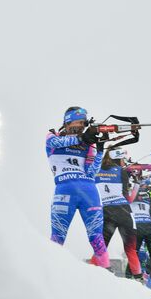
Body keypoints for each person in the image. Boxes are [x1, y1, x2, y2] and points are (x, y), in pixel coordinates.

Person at [46, 106, 109, 268]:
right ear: (68, 121)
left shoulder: (87, 145)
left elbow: (91, 173)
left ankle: (107, 276)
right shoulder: (53, 136)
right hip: (64, 189)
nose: (81, 126)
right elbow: (55, 142)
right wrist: (83, 138)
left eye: (84, 124)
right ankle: (51, 273)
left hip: (88, 191)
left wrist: (100, 151)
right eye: (79, 122)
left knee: (97, 238)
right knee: (57, 238)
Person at [92, 147, 142, 278]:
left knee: (100, 248)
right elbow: (129, 199)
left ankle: (91, 272)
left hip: (106, 212)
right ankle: (138, 278)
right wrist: (137, 184)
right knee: (131, 249)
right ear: (118, 158)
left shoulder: (95, 169)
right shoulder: (122, 172)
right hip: (124, 211)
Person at [127, 183, 151, 294]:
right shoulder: (132, 196)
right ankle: (128, 278)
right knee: (134, 254)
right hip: (137, 228)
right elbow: (130, 196)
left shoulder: (149, 199)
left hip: (150, 229)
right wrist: (140, 190)